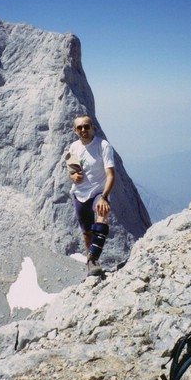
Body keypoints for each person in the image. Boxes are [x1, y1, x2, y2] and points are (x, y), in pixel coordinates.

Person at [66, 114, 115, 276]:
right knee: (87, 232)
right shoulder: (73, 148)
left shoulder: (103, 146)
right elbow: (72, 172)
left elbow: (111, 175)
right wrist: (74, 176)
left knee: (103, 212)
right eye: (79, 128)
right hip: (79, 194)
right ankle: (91, 263)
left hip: (98, 192)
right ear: (75, 131)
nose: (83, 130)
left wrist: (104, 196)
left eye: (86, 126)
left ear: (93, 127)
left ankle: (93, 258)